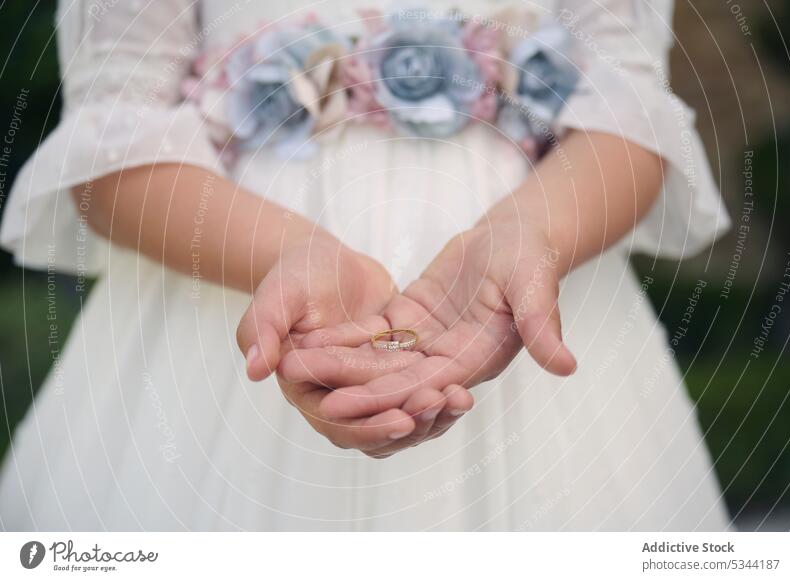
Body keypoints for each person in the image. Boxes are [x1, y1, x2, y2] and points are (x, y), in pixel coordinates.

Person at [0, 0, 731, 530]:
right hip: (228, 289)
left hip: (541, 292)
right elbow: (108, 152)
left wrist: (530, 232)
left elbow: (631, 116)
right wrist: (291, 253)